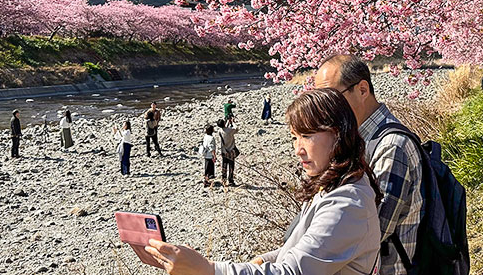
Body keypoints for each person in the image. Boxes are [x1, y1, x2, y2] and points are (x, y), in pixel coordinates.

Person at [145, 88, 382, 275]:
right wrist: (264, 259)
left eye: (307, 136)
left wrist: (209, 270)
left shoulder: (348, 203)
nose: (298, 149)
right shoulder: (334, 185)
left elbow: (292, 272)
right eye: (294, 138)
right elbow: (305, 250)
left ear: (338, 134)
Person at [314, 54, 423, 275]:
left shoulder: (393, 147)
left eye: (332, 98)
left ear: (362, 90)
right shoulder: (361, 139)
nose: (325, 110)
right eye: (320, 99)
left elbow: (369, 232)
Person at [216, 118, 238, 186]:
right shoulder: (230, 130)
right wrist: (232, 122)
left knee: (224, 165)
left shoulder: (220, 131)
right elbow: (236, 129)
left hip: (224, 151)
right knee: (231, 166)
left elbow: (225, 128)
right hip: (231, 151)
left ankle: (224, 179)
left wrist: (228, 123)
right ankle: (231, 180)